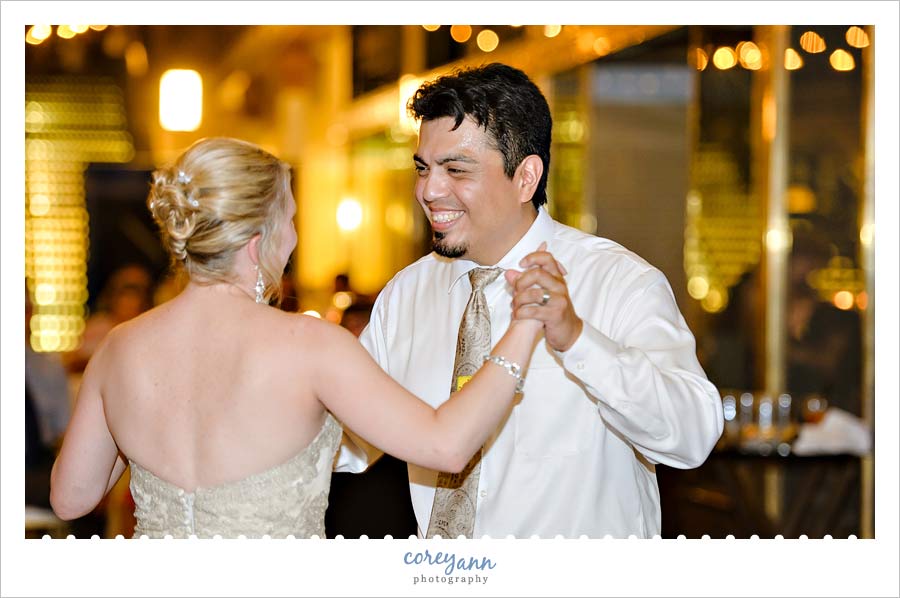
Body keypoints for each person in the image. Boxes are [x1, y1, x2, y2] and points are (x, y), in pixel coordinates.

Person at [49, 137, 543, 539]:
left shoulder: (119, 348)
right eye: (291, 220)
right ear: (258, 240)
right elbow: (446, 445)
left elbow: (71, 497)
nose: (295, 238)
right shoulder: (310, 346)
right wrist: (524, 326)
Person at [336, 63, 724, 538]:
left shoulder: (618, 281)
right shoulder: (407, 294)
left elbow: (692, 436)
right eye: (423, 169)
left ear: (526, 177)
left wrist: (578, 340)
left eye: (455, 170)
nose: (429, 191)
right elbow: (350, 439)